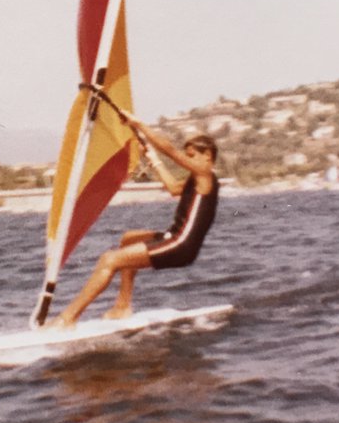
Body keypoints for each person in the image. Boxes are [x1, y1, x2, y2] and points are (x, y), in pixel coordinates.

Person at [52, 112, 220, 327]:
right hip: (175, 238)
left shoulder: (205, 173)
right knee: (129, 239)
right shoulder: (196, 180)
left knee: (109, 260)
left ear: (207, 156)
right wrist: (153, 160)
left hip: (181, 244)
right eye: (187, 155)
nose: (187, 160)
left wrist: (139, 125)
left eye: (191, 156)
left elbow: (169, 149)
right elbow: (172, 188)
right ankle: (122, 306)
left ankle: (68, 318)